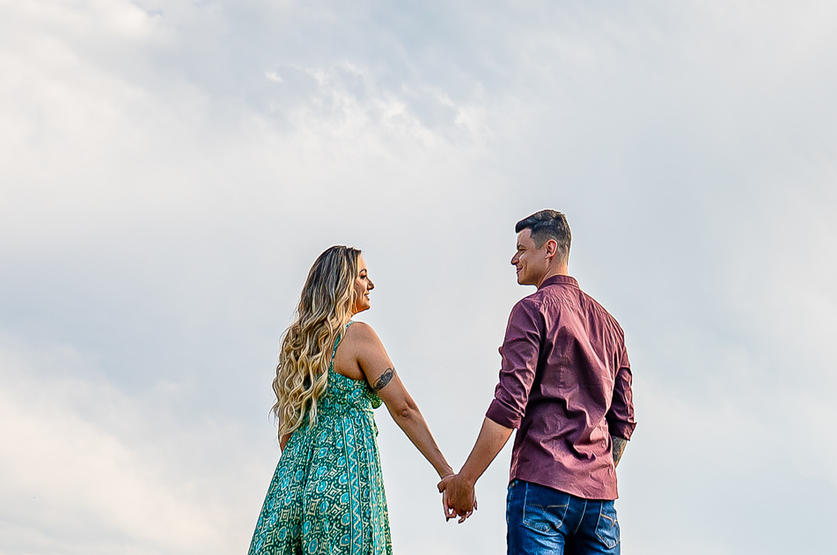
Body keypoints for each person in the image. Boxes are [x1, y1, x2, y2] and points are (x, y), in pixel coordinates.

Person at [439, 210, 634, 554]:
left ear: (549, 249)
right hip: (599, 501)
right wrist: (591, 474)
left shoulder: (532, 310)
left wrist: (465, 480)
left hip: (542, 487)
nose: (514, 259)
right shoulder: (611, 327)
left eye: (521, 249)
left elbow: (509, 404)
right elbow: (623, 421)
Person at [248, 244, 454, 555]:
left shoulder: (296, 347)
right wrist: (446, 472)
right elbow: (403, 409)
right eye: (362, 276)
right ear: (342, 283)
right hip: (345, 488)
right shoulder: (357, 336)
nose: (371, 284)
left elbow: (286, 436)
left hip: (290, 493)